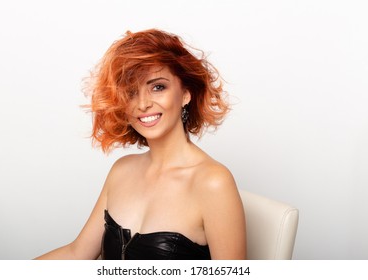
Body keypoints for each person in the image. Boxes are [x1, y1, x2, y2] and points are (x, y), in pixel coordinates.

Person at [35, 29, 246, 260]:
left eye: (158, 87)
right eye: (132, 92)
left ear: (186, 94)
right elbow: (77, 253)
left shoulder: (214, 182)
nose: (143, 104)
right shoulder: (121, 170)